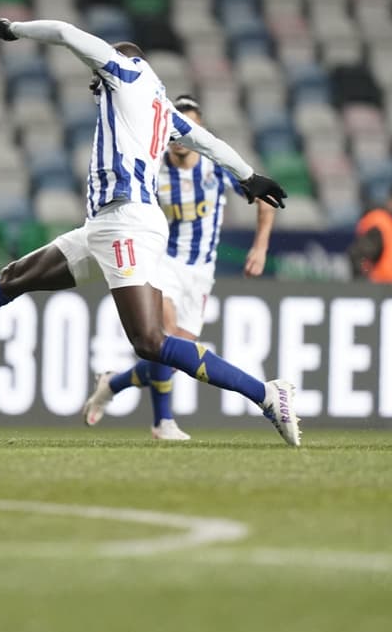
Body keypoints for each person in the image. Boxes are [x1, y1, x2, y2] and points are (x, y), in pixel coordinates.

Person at [0, 17, 302, 446]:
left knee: (151, 341)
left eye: (98, 78)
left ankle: (266, 395)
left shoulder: (126, 74)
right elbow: (207, 142)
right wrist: (249, 175)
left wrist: (15, 29)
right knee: (10, 281)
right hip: (105, 226)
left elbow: (65, 33)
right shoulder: (161, 106)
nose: (96, 85)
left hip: (128, 223)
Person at [80, 93, 275, 441]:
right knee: (164, 336)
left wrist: (260, 247)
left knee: (173, 355)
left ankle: (114, 383)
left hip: (200, 270)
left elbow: (263, 198)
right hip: (161, 259)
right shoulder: (153, 166)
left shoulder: (215, 167)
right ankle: (163, 422)